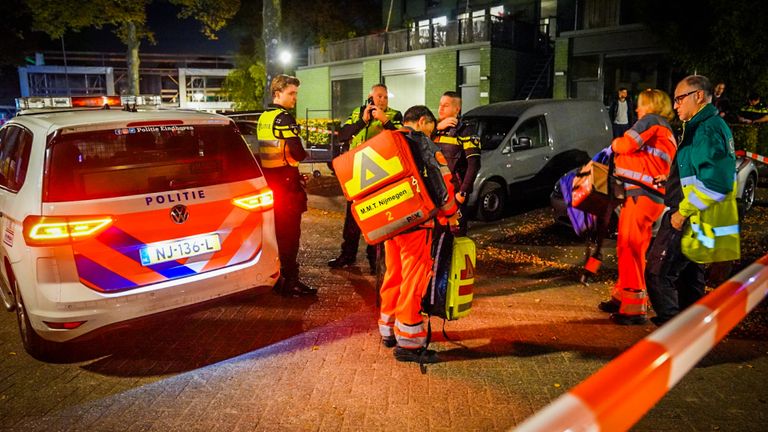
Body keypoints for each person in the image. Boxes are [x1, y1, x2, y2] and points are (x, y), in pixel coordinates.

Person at [646, 75, 740, 326]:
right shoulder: (703, 125)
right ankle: (693, 331)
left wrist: (682, 212)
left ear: (698, 96)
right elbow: (701, 170)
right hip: (698, 216)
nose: (675, 105)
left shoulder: (705, 128)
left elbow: (715, 183)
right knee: (689, 279)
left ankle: (673, 333)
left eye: (679, 99)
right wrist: (670, 178)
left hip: (689, 216)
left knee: (658, 272)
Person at [378, 105, 460, 363]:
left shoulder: (388, 141)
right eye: (431, 127)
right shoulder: (422, 143)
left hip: (390, 224)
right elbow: (442, 182)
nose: (432, 132)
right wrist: (451, 214)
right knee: (414, 277)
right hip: (416, 222)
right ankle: (409, 343)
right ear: (423, 121)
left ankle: (388, 329)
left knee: (394, 274)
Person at [598, 89, 677, 325]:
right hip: (652, 197)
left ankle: (633, 310)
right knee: (635, 249)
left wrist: (614, 144)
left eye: (641, 105)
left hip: (640, 196)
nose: (637, 110)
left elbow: (626, 144)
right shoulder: (668, 131)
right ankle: (621, 296)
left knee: (629, 248)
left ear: (651, 106)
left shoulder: (650, 121)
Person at [328, 84, 403, 273]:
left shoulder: (394, 115)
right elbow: (343, 135)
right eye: (379, 96)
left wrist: (385, 121)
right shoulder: (357, 114)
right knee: (352, 217)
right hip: (355, 174)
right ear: (370, 97)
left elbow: (401, 139)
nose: (383, 100)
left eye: (385, 97)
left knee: (376, 218)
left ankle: (375, 260)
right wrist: (363, 121)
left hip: (379, 175)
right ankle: (347, 255)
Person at [257, 74, 317, 297]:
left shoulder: (264, 117)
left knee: (277, 235)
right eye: (291, 93)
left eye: (296, 93)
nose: (295, 98)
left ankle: (278, 278)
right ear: (277, 94)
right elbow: (298, 152)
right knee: (291, 236)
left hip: (271, 183)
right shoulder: (284, 118)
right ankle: (291, 281)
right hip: (287, 185)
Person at [432, 91, 481, 236]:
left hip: (454, 192)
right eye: (440, 105)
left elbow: (474, 164)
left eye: (445, 106)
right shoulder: (435, 129)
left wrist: (463, 192)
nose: (440, 109)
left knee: (455, 233)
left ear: (456, 109)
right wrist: (437, 127)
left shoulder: (465, 130)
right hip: (435, 192)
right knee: (436, 234)